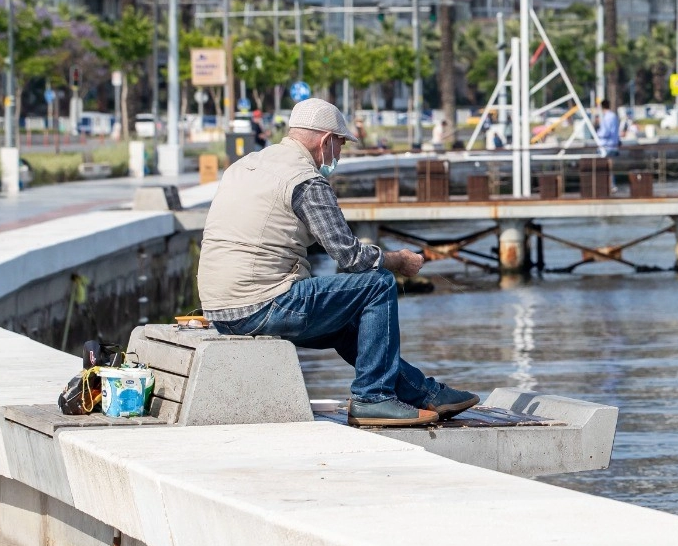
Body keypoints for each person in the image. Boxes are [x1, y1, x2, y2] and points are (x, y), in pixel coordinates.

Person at [197, 98, 479, 428]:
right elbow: (350, 257)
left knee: (348, 323)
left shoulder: (244, 166)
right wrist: (398, 260)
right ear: (326, 140)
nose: (340, 154)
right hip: (261, 306)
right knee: (377, 284)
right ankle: (373, 399)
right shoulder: (305, 180)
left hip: (219, 309)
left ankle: (424, 393)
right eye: (341, 145)